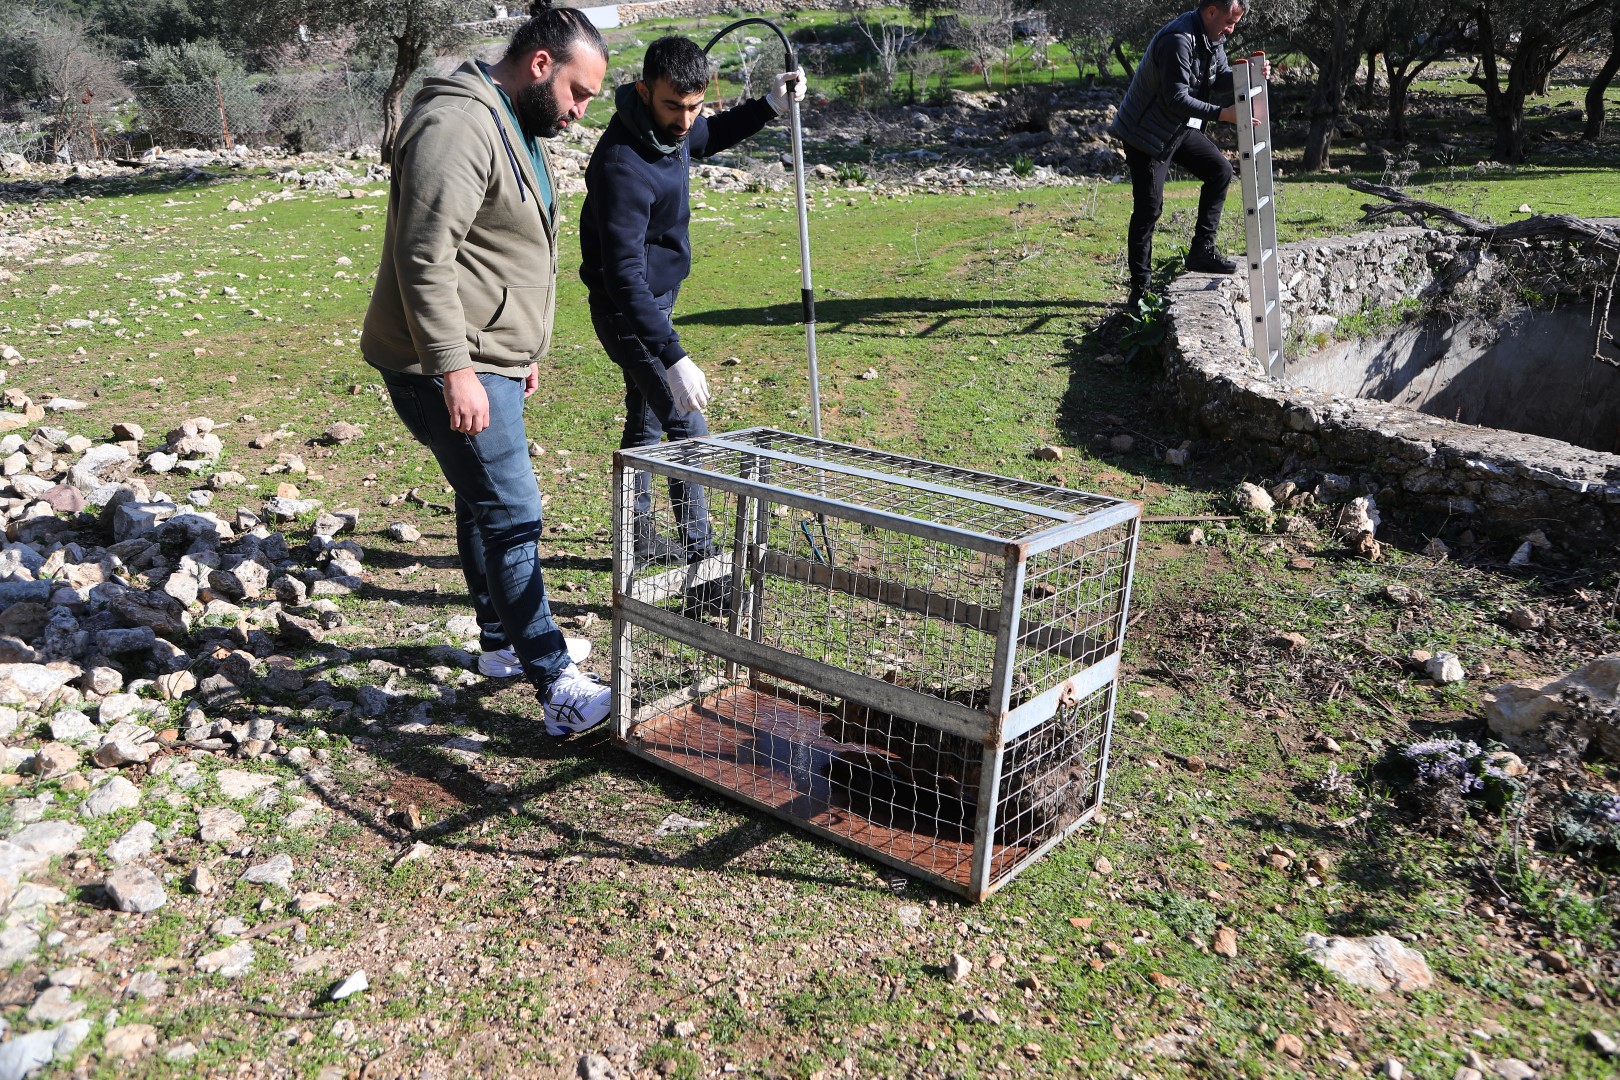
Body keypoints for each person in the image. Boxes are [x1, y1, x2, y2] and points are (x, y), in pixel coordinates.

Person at [360, 2, 613, 736]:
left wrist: (516, 352)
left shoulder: (513, 120)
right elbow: (424, 256)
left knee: (481, 502)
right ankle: (557, 688)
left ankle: (502, 644)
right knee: (512, 513)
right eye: (577, 93)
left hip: (487, 356)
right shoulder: (458, 124)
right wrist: (458, 370)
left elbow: (497, 245)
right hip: (444, 361)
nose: (580, 111)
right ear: (540, 64)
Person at [579, 36, 807, 574]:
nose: (685, 120)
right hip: (627, 310)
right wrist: (673, 355)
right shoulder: (622, 164)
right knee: (687, 424)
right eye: (673, 106)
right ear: (643, 92)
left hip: (654, 301)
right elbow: (624, 278)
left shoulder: (672, 130)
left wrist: (769, 105)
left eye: (694, 106)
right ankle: (703, 564)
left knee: (646, 425)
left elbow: (709, 134)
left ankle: (636, 539)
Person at [1109, 0, 1269, 309]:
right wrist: (1223, 114)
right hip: (1144, 134)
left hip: (1177, 128)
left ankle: (1201, 252)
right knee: (1149, 209)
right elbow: (1176, 98)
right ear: (1211, 11)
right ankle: (1140, 290)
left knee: (1220, 171)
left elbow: (1218, 79)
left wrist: (1249, 73)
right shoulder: (1178, 40)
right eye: (1229, 21)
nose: (1231, 30)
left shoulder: (1212, 37)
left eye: (1235, 24)